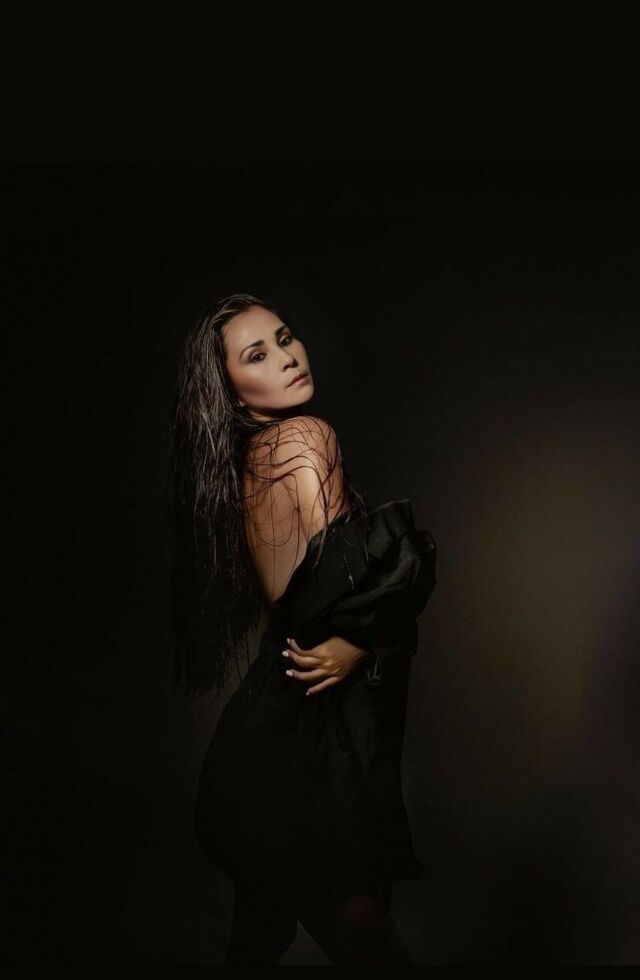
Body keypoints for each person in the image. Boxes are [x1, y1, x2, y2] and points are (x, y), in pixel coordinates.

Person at [166, 293, 437, 965]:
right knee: (360, 929)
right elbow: (343, 582)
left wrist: (358, 640)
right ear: (231, 391)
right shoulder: (302, 438)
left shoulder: (247, 464)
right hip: (307, 731)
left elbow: (308, 595)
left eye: (286, 338)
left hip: (274, 723)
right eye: (257, 355)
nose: (287, 358)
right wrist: (363, 639)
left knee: (261, 937)